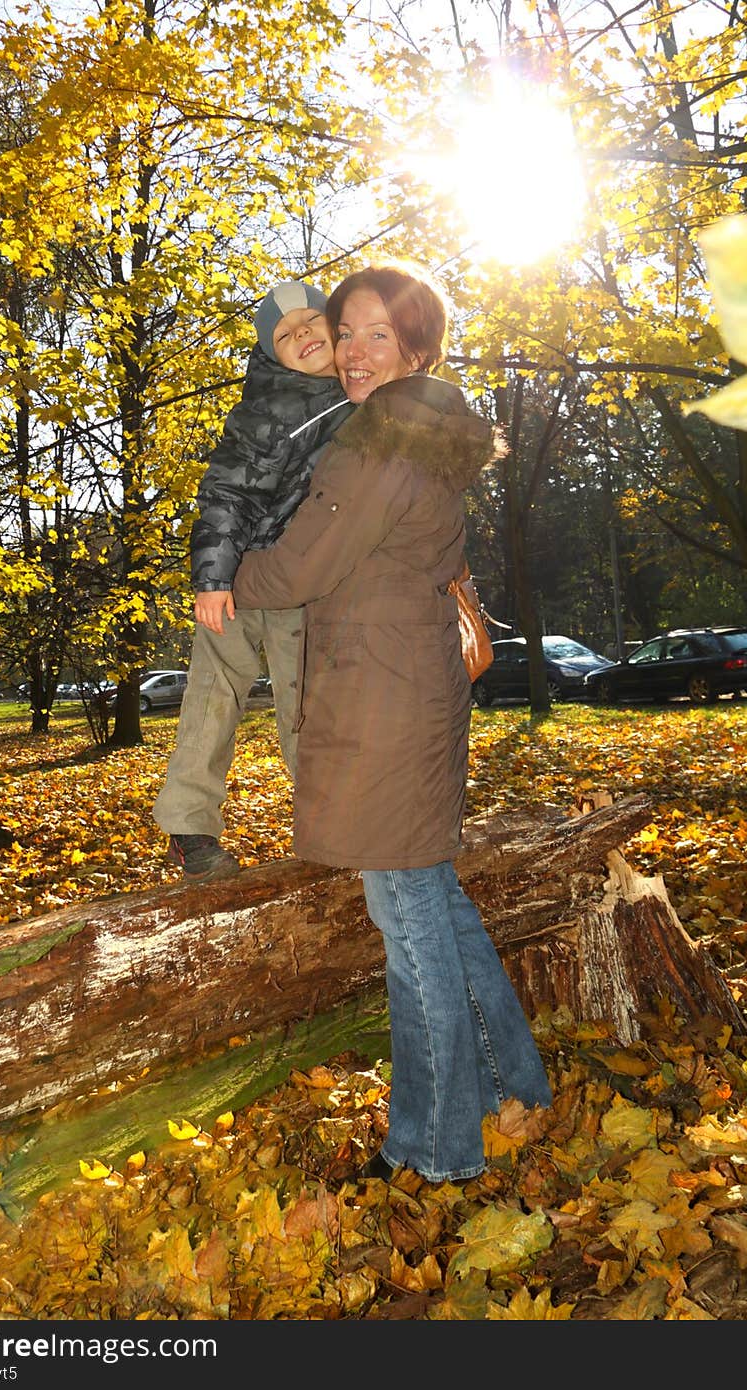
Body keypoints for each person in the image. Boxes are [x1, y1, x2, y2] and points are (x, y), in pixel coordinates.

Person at [230, 261, 552, 1184]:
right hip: (404, 689)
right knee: (433, 905)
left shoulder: (383, 437)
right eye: (348, 334)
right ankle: (511, 1089)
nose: (357, 353)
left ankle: (431, 1146)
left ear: (416, 346)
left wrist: (220, 578)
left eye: (380, 334)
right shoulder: (426, 428)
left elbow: (300, 567)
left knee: (410, 931)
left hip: (383, 698)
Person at [152, 280, 355, 881]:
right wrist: (211, 578)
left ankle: (326, 826)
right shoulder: (265, 409)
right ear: (271, 354)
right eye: (285, 335)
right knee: (213, 694)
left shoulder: (361, 393)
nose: (302, 337)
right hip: (240, 579)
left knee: (306, 706)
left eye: (311, 321)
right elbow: (225, 492)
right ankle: (190, 829)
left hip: (301, 582)